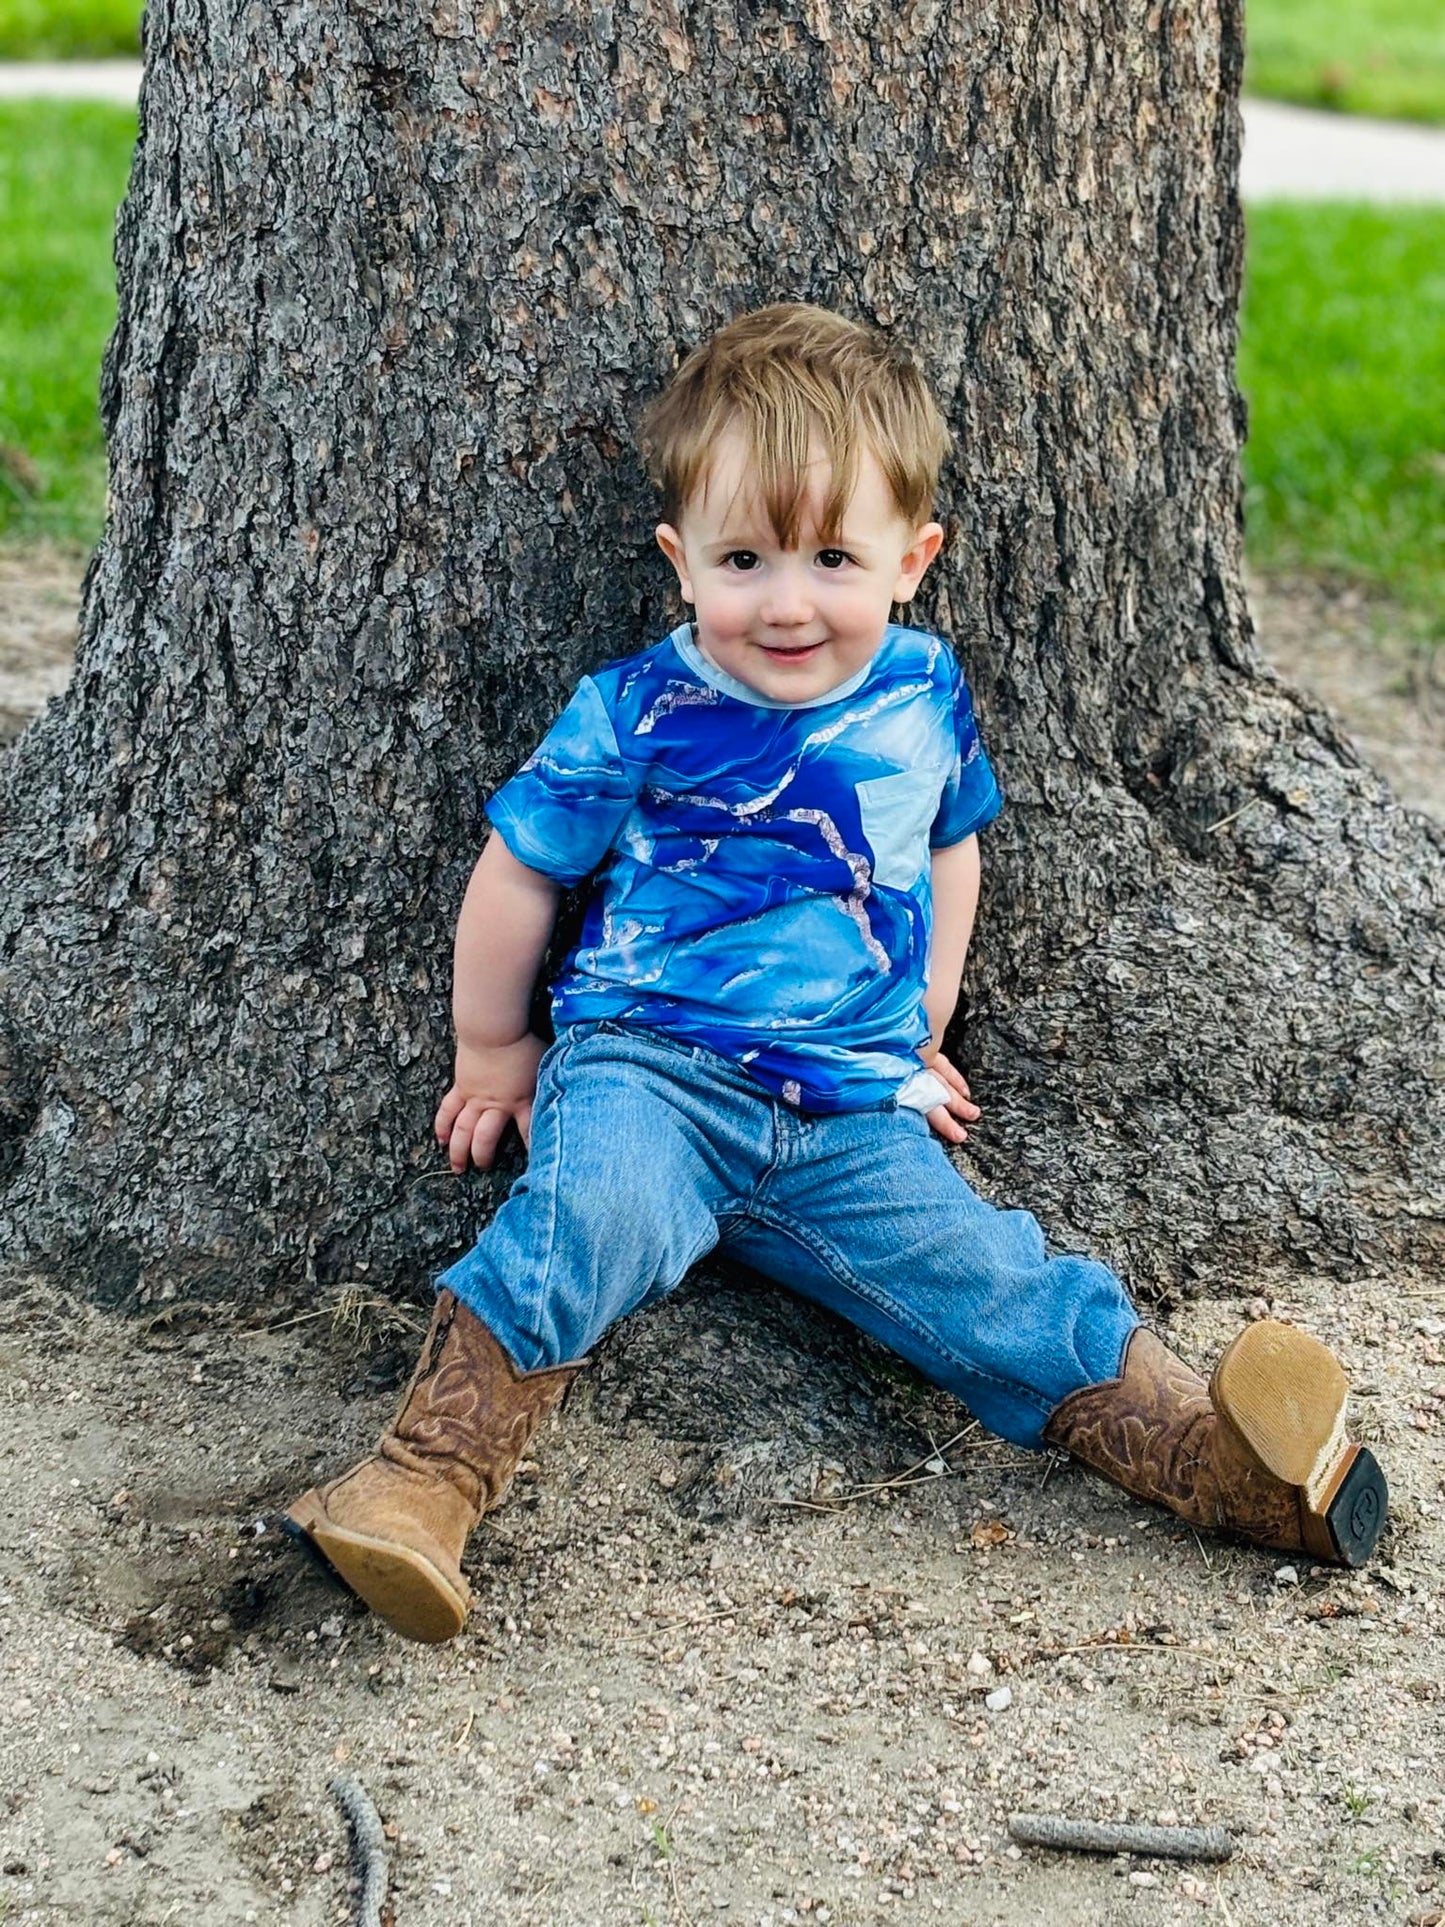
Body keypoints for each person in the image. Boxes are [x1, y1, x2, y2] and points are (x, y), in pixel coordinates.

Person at [285, 304, 1387, 1643]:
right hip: (656, 1071)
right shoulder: (637, 710)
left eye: (831, 556)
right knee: (594, 1216)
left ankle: (1229, 1470)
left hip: (848, 1118)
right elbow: (519, 869)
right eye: (743, 557)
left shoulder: (924, 693)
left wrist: (919, 1022)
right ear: (679, 560)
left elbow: (950, 844)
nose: (787, 600)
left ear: (911, 559)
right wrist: (491, 1047)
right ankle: (421, 1481)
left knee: (984, 1279)